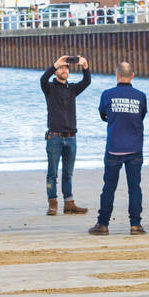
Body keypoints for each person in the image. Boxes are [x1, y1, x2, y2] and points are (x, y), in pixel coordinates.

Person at [90, 61, 147, 236]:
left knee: (109, 187)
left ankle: (103, 224)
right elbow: (141, 115)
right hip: (134, 147)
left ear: (116, 75)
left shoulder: (107, 95)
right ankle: (135, 224)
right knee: (134, 187)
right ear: (133, 75)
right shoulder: (140, 96)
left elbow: (103, 115)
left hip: (114, 147)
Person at [40, 54, 91, 216]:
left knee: (68, 173)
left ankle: (69, 203)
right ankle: (52, 203)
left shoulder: (72, 89)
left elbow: (87, 82)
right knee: (52, 173)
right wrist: (55, 64)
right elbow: (42, 79)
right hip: (54, 137)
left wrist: (85, 66)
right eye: (62, 68)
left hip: (71, 137)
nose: (64, 70)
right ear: (56, 71)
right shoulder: (49, 88)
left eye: (66, 68)